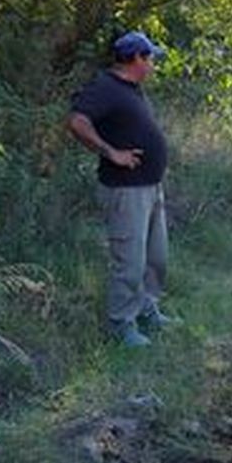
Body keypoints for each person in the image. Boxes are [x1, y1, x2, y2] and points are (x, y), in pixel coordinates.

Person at [68, 31, 178, 347]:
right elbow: (77, 121)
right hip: (126, 190)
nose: (153, 64)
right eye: (150, 58)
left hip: (149, 186)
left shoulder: (131, 88)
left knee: (155, 256)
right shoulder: (106, 87)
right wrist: (112, 152)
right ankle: (121, 325)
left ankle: (147, 310)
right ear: (135, 59)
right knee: (129, 261)